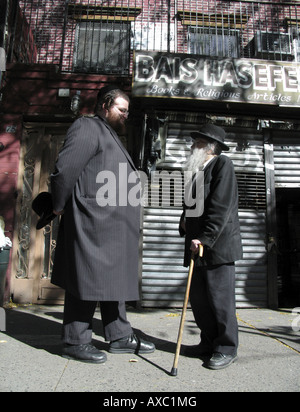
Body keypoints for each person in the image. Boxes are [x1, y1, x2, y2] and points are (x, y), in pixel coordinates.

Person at [50, 86, 155, 363]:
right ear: (106, 105)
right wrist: (58, 205)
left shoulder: (109, 135)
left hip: (113, 225)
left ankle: (119, 335)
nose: (125, 116)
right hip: (92, 222)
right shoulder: (87, 127)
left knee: (115, 280)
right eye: (122, 110)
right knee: (85, 278)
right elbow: (65, 170)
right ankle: (75, 340)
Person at [179, 124, 243, 370]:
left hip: (216, 248)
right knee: (200, 301)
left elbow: (221, 207)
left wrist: (205, 238)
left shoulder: (222, 164)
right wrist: (183, 221)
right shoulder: (197, 171)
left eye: (197, 142)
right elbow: (192, 207)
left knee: (220, 301)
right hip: (197, 248)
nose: (192, 145)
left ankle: (226, 347)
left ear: (209, 147)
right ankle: (207, 343)